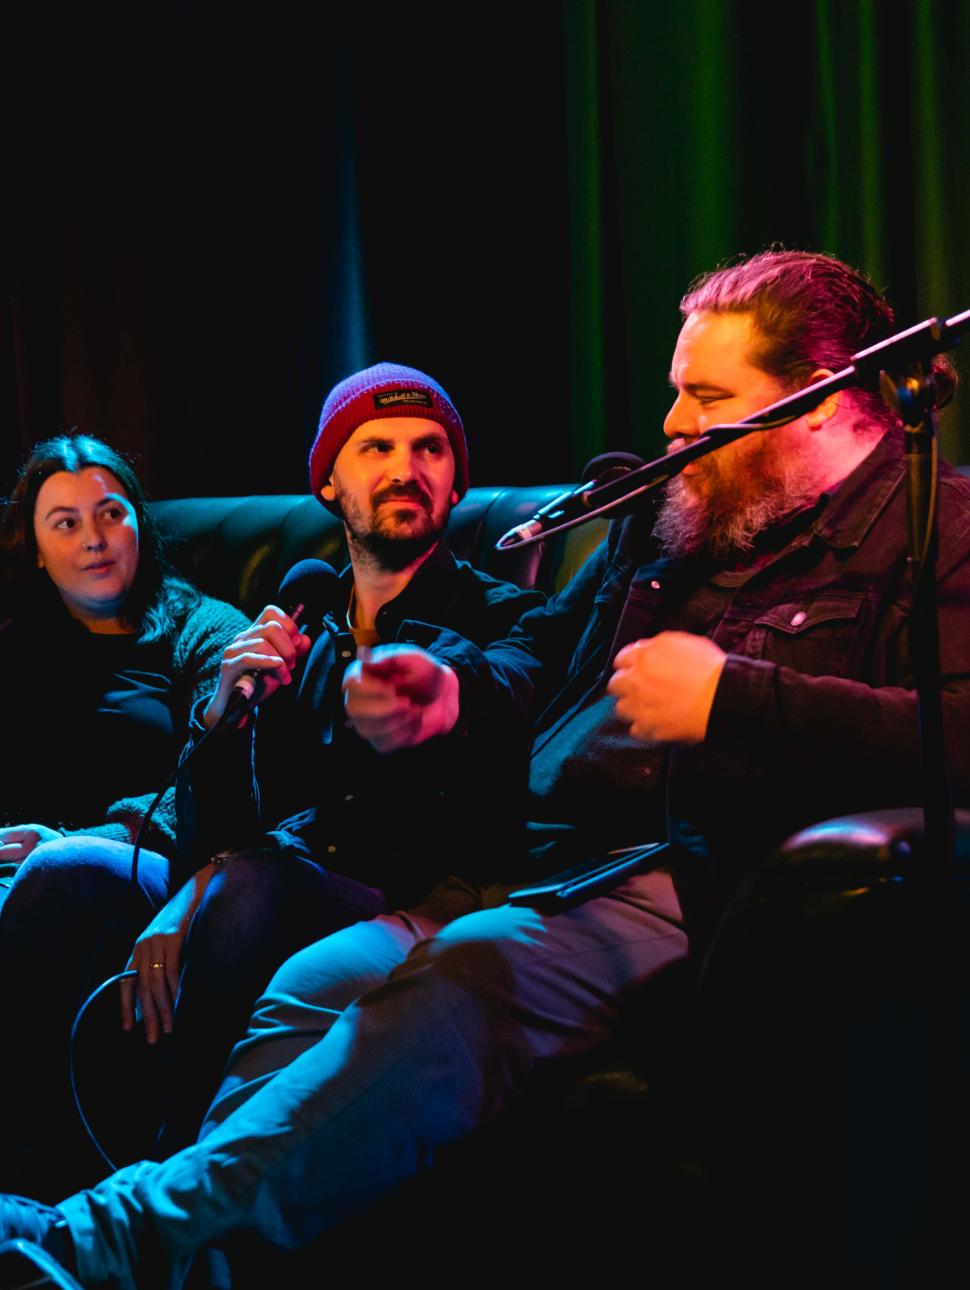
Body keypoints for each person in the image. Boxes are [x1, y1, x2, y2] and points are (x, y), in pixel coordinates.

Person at [3, 250, 969, 1290]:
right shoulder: (676, 516)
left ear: (822, 404)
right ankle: (188, 1267)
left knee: (461, 979)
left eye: (708, 396)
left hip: (695, 885)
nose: (675, 424)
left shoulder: (934, 529)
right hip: (549, 862)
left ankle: (99, 1245)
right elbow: (540, 658)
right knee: (312, 985)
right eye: (675, 392)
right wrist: (451, 697)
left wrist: (735, 699)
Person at [122, 362, 545, 1155]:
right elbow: (225, 829)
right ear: (327, 485)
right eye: (375, 447)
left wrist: (226, 878)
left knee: (253, 890)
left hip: (429, 895)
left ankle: (171, 1175)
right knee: (95, 896)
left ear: (456, 485)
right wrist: (224, 717)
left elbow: (482, 737)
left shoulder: (503, 617)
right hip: (293, 881)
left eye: (430, 449)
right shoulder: (302, 626)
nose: (405, 469)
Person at [0, 434, 248, 1194]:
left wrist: (83, 836)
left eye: (110, 513)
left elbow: (213, 778)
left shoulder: (203, 630)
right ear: (37, 551)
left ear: (139, 521)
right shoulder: (17, 651)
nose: (95, 538)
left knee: (59, 869)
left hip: (157, 866)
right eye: (65, 523)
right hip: (24, 871)